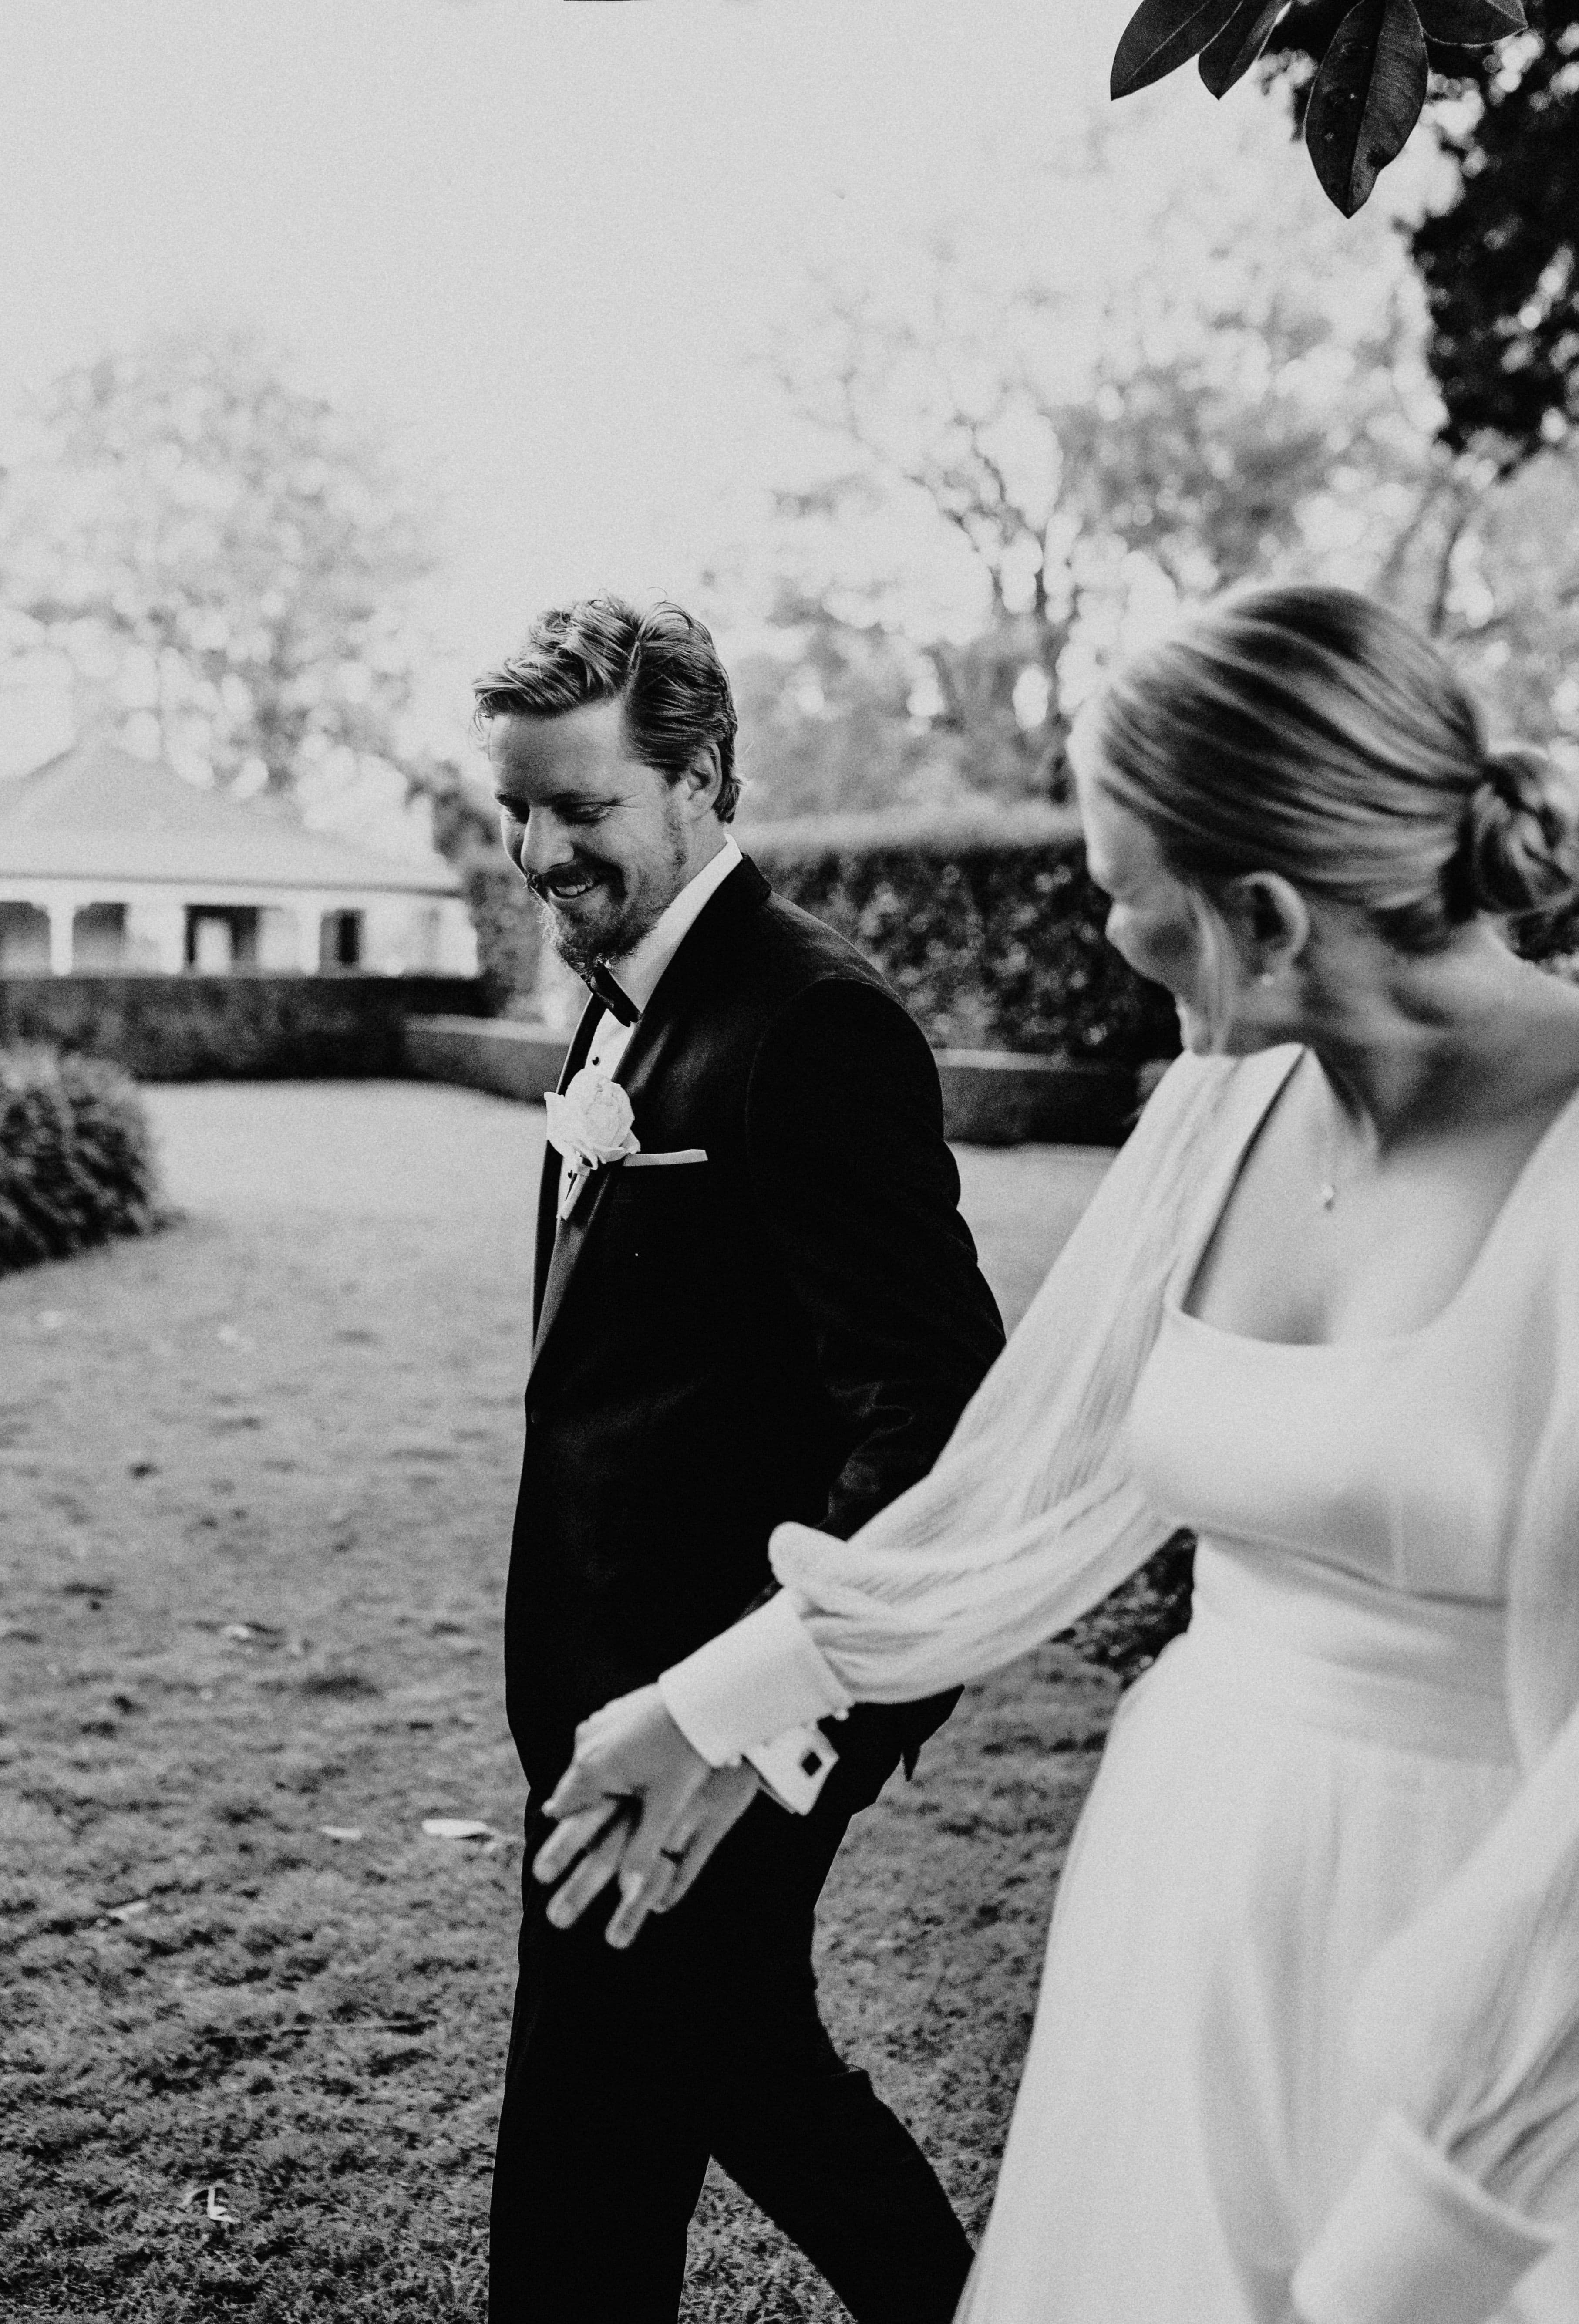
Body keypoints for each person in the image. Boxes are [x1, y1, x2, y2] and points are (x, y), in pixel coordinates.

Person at [542, 583, 1579, 2324]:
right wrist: (720, 1704)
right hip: (1189, 1889)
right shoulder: (1230, 1096)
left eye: (1118, 892)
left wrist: (1440, 2220)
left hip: (1484, 1965)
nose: (1105, 935)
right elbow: (1039, 1477)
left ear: (1256, 910)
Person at [476, 596, 1006, 2323]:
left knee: (585, 2149)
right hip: (606, 1697)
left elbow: (930, 1399)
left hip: (722, 1718)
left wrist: (768, 1713)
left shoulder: (811, 1021)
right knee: (732, 2076)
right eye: (521, 811)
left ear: (701, 777)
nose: (542, 851)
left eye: (580, 809)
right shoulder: (618, 1003)